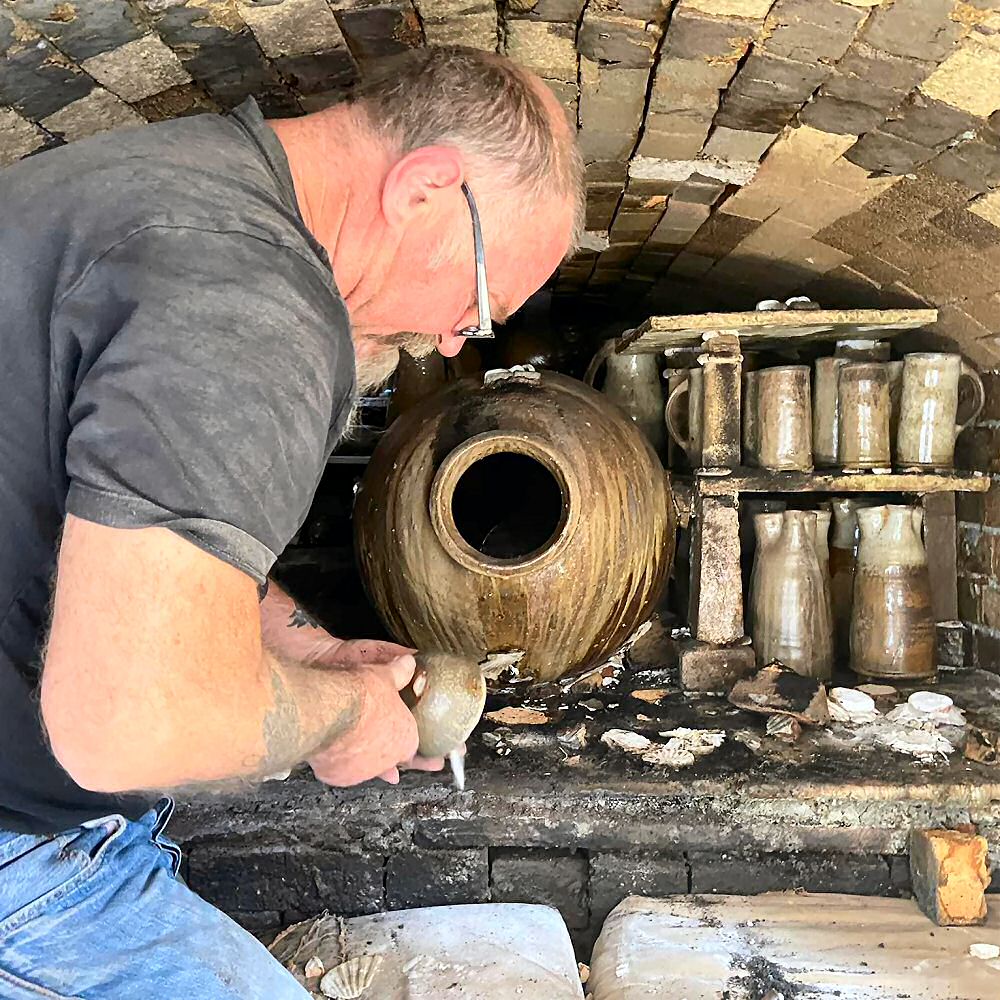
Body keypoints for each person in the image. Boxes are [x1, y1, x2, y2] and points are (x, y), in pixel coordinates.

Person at [0, 45, 583, 998]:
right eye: (479, 303)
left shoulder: (163, 184)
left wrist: (303, 647)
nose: (451, 339)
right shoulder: (251, 304)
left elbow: (116, 519)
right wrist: (343, 720)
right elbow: (132, 722)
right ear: (428, 188)